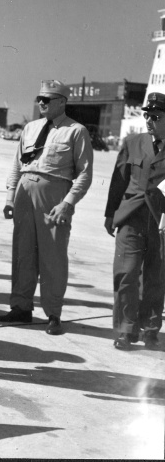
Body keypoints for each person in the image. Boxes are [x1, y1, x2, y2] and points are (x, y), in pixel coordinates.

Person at [0, 80, 93, 336]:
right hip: (24, 192)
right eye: (39, 98)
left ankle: (53, 314)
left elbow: (84, 173)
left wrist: (68, 203)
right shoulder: (30, 128)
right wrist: (9, 197)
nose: (41, 103)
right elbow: (17, 164)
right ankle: (20, 307)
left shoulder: (76, 131)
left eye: (47, 99)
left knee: (53, 257)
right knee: (23, 252)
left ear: (62, 102)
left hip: (54, 196)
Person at [104, 92, 165, 350]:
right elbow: (118, 180)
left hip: (160, 220)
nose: (149, 120)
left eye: (156, 116)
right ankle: (125, 330)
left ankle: (150, 328)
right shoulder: (133, 142)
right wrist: (110, 214)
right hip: (131, 217)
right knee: (126, 273)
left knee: (156, 277)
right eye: (147, 115)